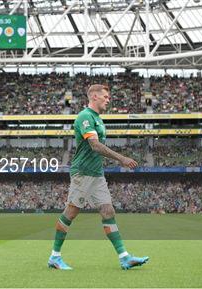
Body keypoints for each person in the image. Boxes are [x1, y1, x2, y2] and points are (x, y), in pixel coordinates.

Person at [47, 84, 149, 270]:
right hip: (83, 172)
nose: (108, 100)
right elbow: (94, 145)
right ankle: (55, 256)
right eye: (105, 97)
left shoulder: (98, 120)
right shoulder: (85, 116)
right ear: (94, 97)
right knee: (71, 213)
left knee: (108, 211)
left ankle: (124, 257)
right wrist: (121, 158)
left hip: (97, 174)